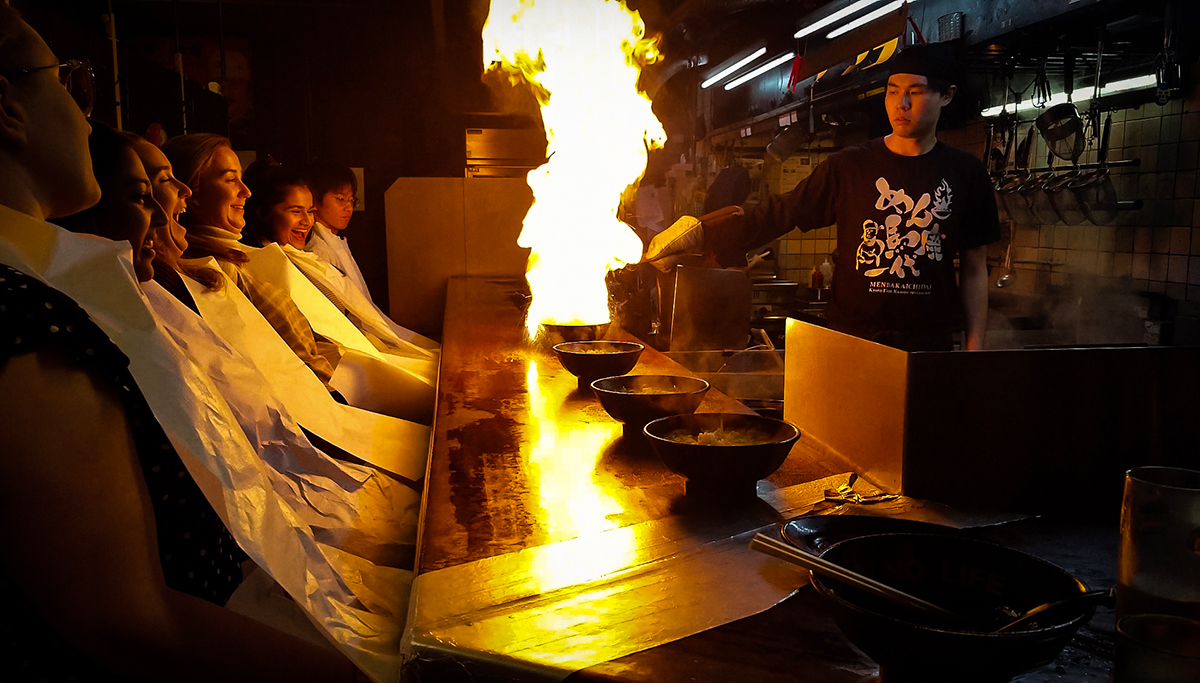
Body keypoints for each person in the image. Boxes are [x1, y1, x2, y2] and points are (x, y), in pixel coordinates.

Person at [0, 8, 358, 680]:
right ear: (6, 106)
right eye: (66, 81)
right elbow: (128, 621)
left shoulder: (49, 283)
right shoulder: (25, 316)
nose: (85, 116)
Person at [647, 43, 998, 352]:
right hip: (852, 341)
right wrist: (703, 230)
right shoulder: (850, 165)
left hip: (927, 347)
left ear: (947, 96)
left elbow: (973, 270)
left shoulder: (966, 172)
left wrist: (974, 347)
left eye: (916, 93)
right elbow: (781, 211)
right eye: (893, 91)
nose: (901, 103)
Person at [161, 133, 343, 385]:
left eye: (242, 179)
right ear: (191, 194)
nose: (246, 191)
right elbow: (289, 368)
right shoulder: (214, 270)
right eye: (230, 179)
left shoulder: (240, 257)